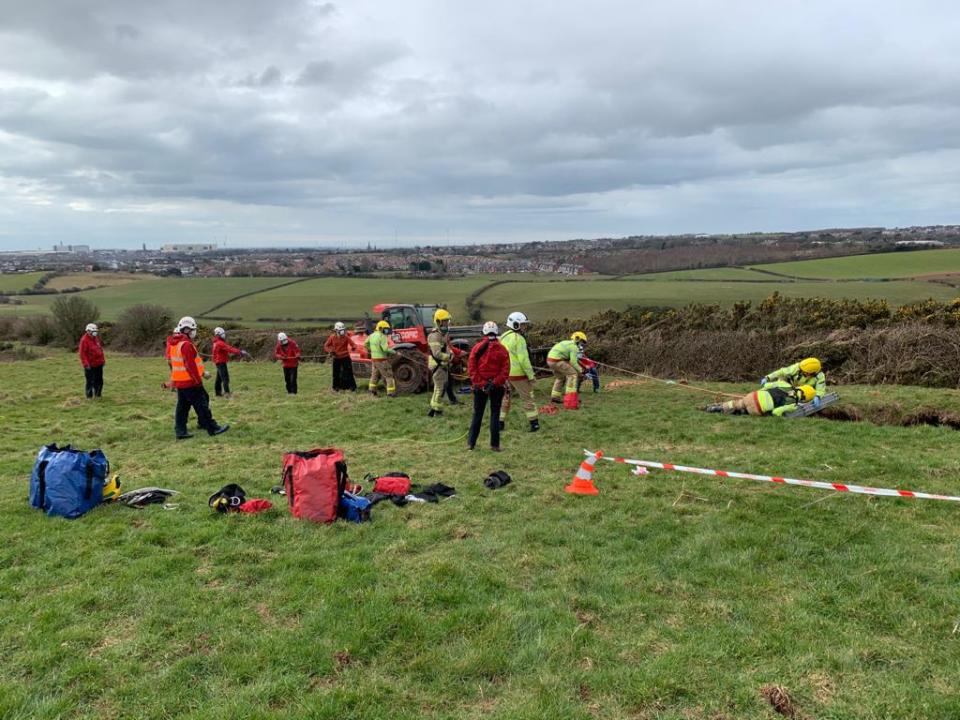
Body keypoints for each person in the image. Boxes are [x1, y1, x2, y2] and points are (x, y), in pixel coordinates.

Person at [169, 316, 229, 439]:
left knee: (182, 408)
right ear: (186, 330)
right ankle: (212, 428)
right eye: (192, 329)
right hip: (190, 382)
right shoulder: (185, 345)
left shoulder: (175, 344)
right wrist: (198, 381)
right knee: (201, 405)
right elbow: (190, 366)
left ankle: (180, 431)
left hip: (180, 382)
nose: (194, 332)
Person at [467, 321, 510, 451]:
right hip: (496, 387)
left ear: (483, 332)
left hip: (480, 388)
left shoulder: (477, 348)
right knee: (495, 414)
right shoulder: (502, 349)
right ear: (497, 333)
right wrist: (495, 382)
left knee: (477, 414)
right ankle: (495, 445)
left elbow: (472, 369)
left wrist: (481, 383)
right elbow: (505, 370)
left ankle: (471, 443)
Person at [498, 311, 539, 432]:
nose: (525, 327)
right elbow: (523, 360)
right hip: (518, 375)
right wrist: (531, 376)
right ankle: (534, 424)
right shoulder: (519, 338)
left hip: (505, 374)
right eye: (523, 324)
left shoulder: (503, 337)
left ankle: (500, 423)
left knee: (505, 398)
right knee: (528, 398)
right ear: (515, 325)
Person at [704, 383, 816, 416]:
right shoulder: (793, 405)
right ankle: (740, 413)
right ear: (805, 399)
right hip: (757, 409)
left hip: (753, 396)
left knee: (737, 403)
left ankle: (715, 408)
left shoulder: (785, 384)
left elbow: (768, 386)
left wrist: (760, 393)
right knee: (746, 412)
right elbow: (776, 412)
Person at [761, 357, 826, 405]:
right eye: (801, 370)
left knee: (786, 397)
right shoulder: (798, 367)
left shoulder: (820, 377)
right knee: (780, 381)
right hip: (789, 385)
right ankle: (762, 392)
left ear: (812, 373)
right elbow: (782, 372)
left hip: (802, 393)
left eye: (804, 372)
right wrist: (768, 377)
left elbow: (820, 389)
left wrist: (818, 396)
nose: (801, 371)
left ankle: (783, 401)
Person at [548, 331, 587, 409]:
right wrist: (581, 370)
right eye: (582, 342)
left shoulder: (566, 342)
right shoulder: (574, 347)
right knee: (572, 375)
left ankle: (555, 397)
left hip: (550, 361)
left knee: (560, 378)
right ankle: (570, 399)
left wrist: (582, 367)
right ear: (577, 339)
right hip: (557, 361)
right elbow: (573, 362)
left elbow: (573, 360)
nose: (582, 344)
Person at [427, 308, 455, 417]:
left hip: (442, 365)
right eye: (445, 321)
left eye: (447, 321)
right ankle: (436, 410)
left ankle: (434, 409)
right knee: (439, 388)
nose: (447, 324)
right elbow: (437, 354)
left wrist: (451, 353)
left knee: (440, 388)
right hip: (437, 366)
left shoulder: (442, 335)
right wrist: (449, 357)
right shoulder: (435, 336)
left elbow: (446, 347)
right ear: (438, 322)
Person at [212, 327, 248, 397]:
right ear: (219, 334)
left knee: (219, 378)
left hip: (218, 362)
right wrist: (240, 352)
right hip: (221, 362)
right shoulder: (220, 343)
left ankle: (218, 393)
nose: (224, 335)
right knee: (225, 378)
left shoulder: (216, 342)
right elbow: (229, 348)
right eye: (223, 334)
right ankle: (227, 393)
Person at [364, 320, 396, 396]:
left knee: (374, 375)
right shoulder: (382, 336)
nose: (386, 331)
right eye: (385, 329)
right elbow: (385, 349)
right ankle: (391, 393)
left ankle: (372, 391)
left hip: (374, 360)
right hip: (382, 360)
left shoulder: (372, 335)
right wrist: (395, 352)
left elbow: (365, 344)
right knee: (389, 376)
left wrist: (371, 349)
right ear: (381, 328)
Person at [324, 322, 357, 392]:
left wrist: (354, 347)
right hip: (336, 358)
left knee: (349, 373)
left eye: (343, 330)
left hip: (346, 357)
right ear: (336, 330)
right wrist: (330, 351)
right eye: (340, 330)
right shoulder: (332, 337)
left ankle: (352, 387)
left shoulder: (346, 337)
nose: (342, 331)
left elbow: (353, 344)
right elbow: (326, 346)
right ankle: (335, 387)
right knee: (335, 374)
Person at [78, 323, 105, 398]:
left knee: (99, 381)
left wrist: (102, 361)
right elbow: (82, 354)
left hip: (98, 364)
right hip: (90, 365)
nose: (95, 332)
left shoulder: (95, 339)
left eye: (96, 331)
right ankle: (89, 396)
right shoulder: (84, 340)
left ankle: (98, 395)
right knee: (90, 381)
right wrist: (86, 364)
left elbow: (100, 350)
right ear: (88, 331)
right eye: (94, 331)